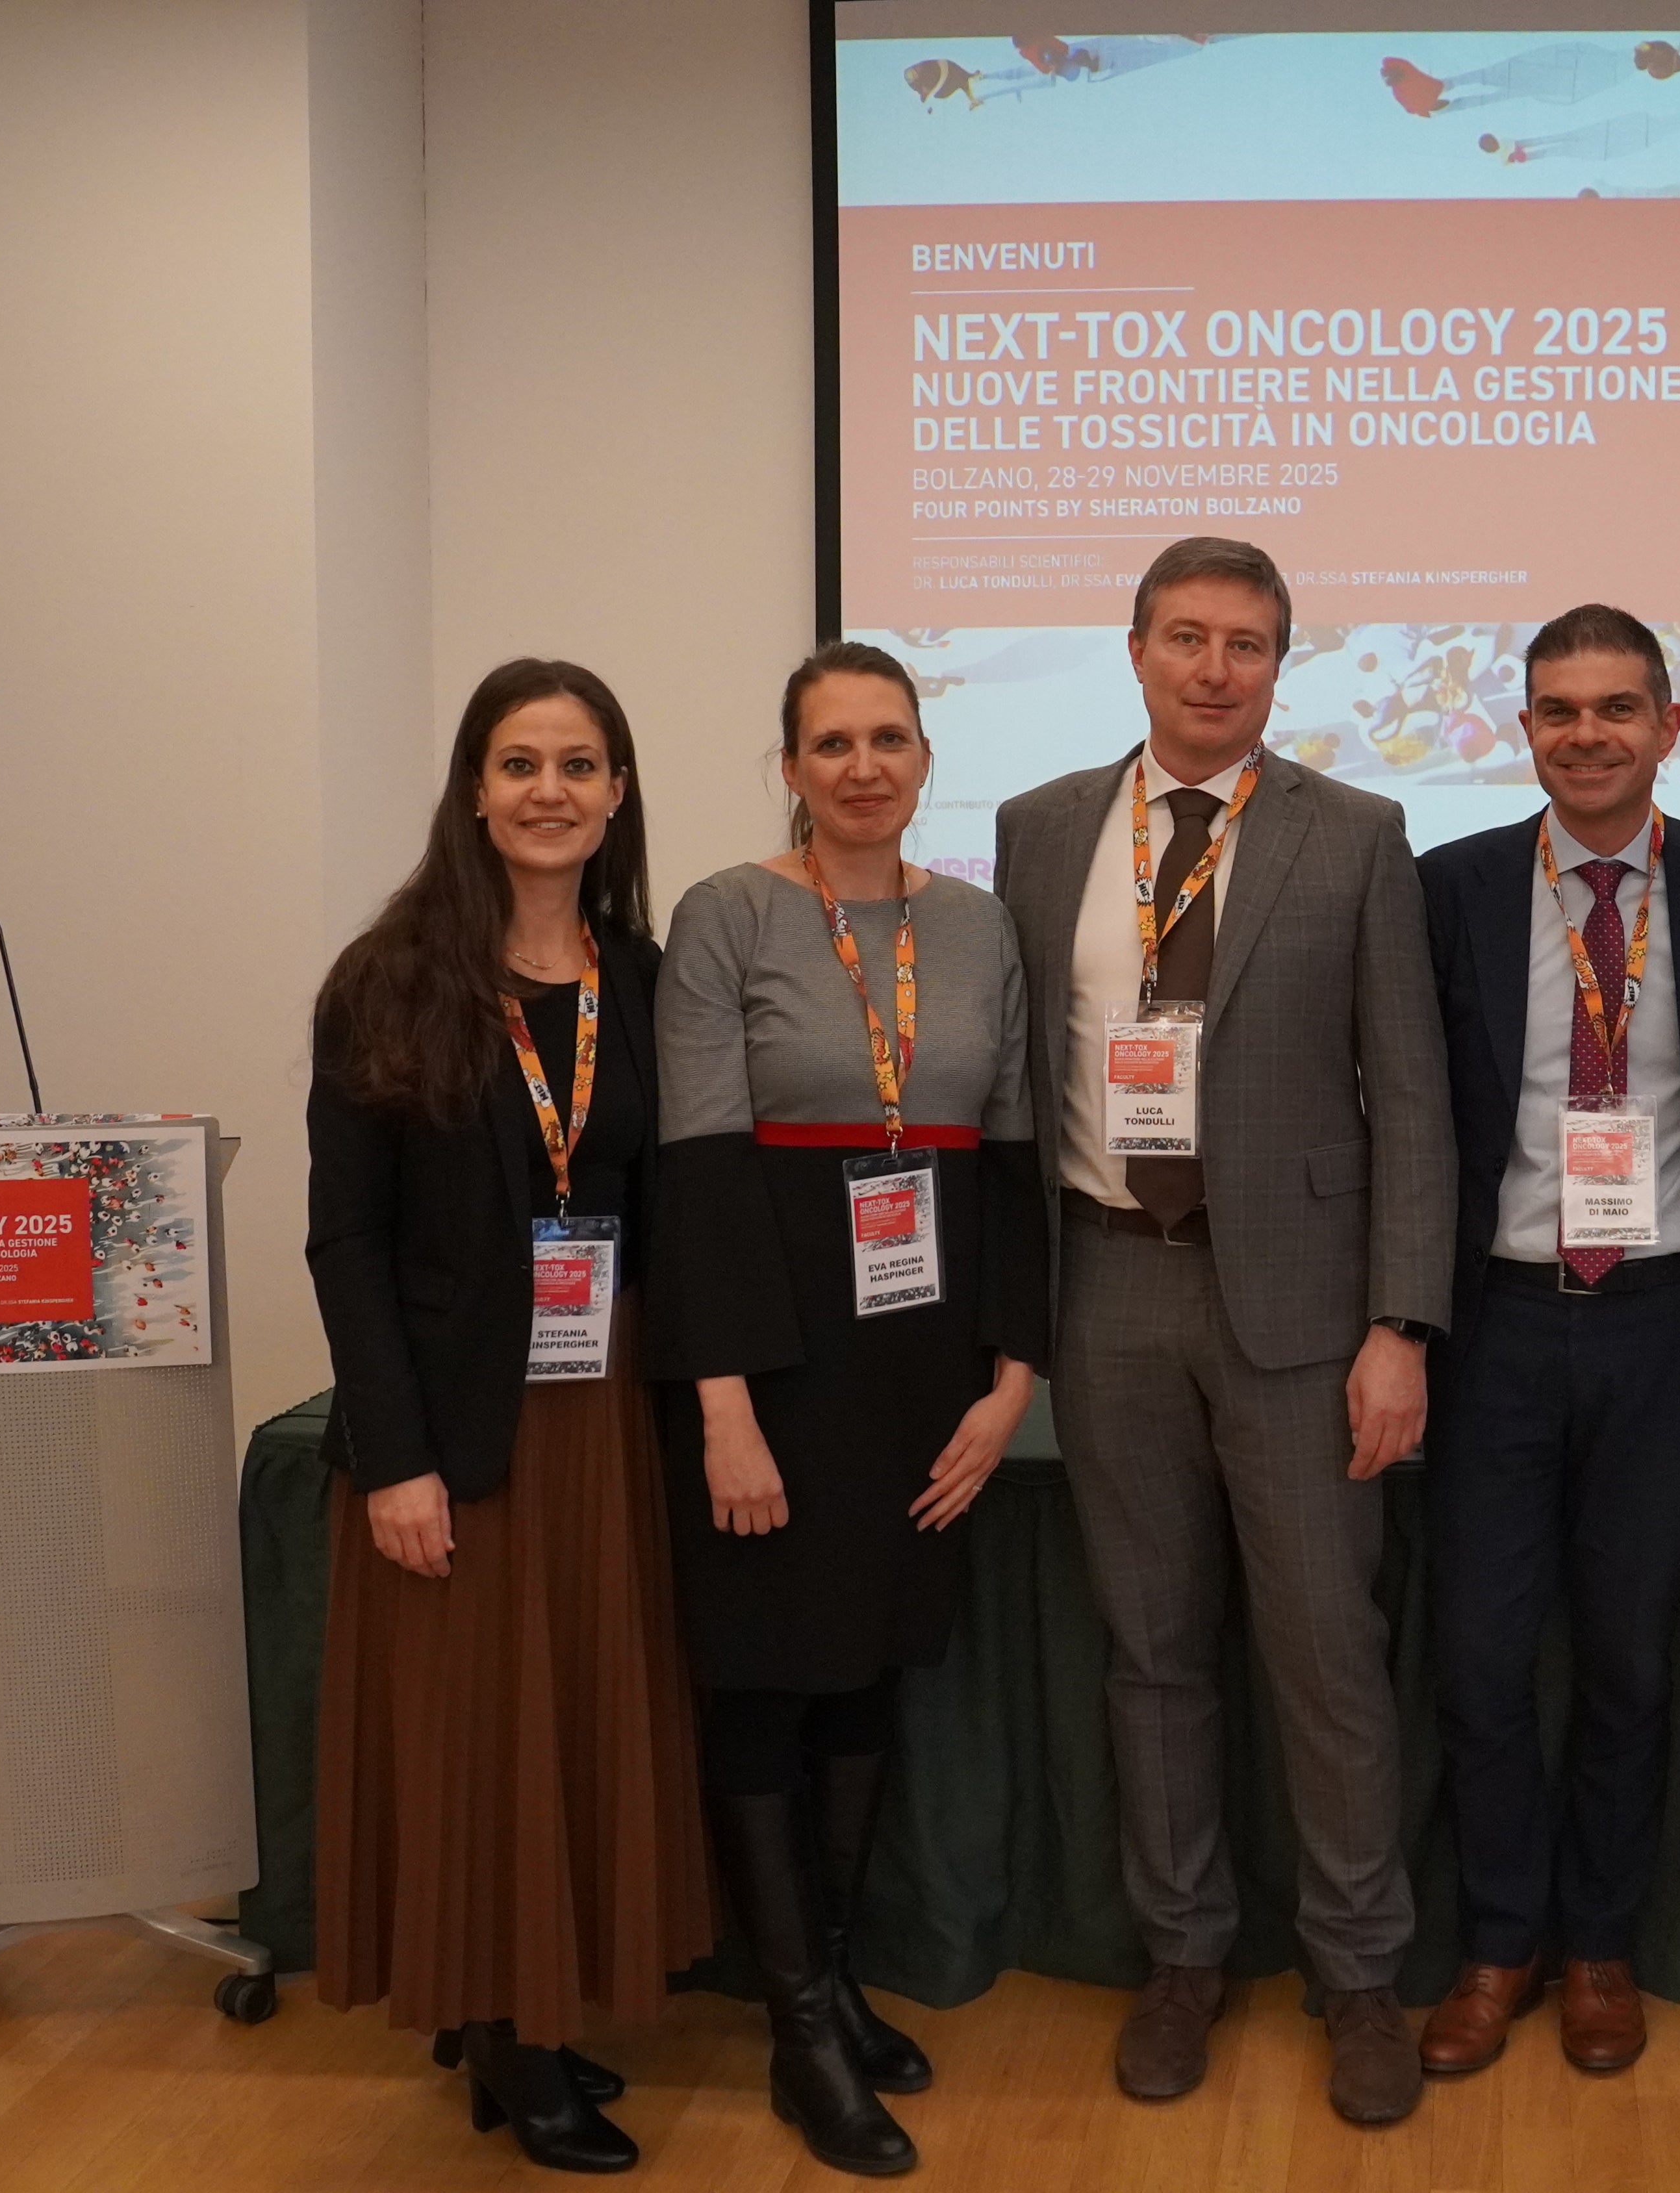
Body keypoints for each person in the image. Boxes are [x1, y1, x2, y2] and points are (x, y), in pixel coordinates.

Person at [989, 536, 1457, 2127]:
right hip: (1107, 1283)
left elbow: (1412, 1095)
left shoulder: (1357, 833)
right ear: (1135, 650)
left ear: (1278, 664)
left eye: (1245, 642)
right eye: (1185, 636)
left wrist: (1400, 1323)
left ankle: (1362, 1973)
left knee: (1328, 1652)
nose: (1213, 667)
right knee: (1153, 1648)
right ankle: (1182, 1951)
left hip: (1304, 1309)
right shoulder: (1042, 828)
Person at [306, 657, 714, 2174]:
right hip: (454, 1422)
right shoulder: (388, 981)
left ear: (618, 794)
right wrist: (394, 1458)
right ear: (475, 790)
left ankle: (520, 2008)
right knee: (478, 1731)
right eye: (522, 761)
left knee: (570, 1710)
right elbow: (345, 1244)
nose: (552, 789)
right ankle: (509, 2032)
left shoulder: (648, 976)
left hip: (601, 1412)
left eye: (580, 763)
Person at [648, 640, 1045, 2178]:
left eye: (889, 737)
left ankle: (830, 1979)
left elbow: (1008, 1153)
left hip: (924, 1355)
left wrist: (1011, 1375)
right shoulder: (727, 913)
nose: (864, 766)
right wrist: (723, 1404)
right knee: (767, 1677)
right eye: (833, 742)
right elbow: (695, 1168)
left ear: (926, 756)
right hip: (775, 1352)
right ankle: (801, 2023)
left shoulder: (979, 925)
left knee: (873, 1663)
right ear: (791, 766)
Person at [1411, 605, 1680, 2075]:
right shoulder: (1453, 884)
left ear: (1670, 726)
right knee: (1481, 1659)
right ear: (1524, 731)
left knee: (1630, 1659)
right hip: (1495, 1325)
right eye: (1559, 710)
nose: (1588, 735)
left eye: (1617, 708)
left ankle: (1602, 1945)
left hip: (1663, 1327)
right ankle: (1501, 1941)